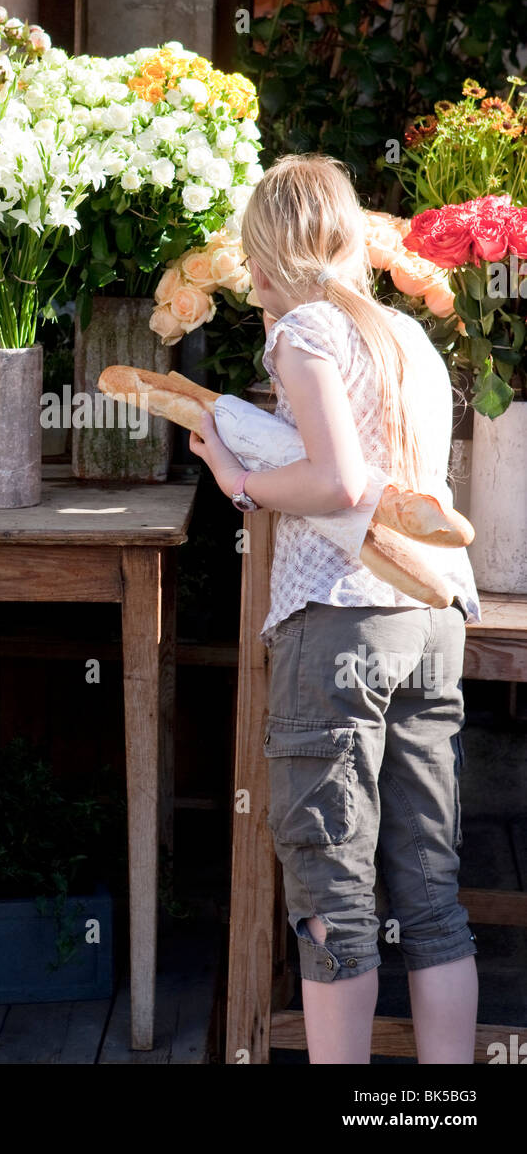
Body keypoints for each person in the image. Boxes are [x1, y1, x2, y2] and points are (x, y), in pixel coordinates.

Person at [189, 153, 480, 1065]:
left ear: (265, 258)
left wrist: (237, 479)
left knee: (331, 899)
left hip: (340, 623)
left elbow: (340, 481)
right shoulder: (411, 336)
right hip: (429, 624)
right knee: (432, 896)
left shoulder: (305, 329)